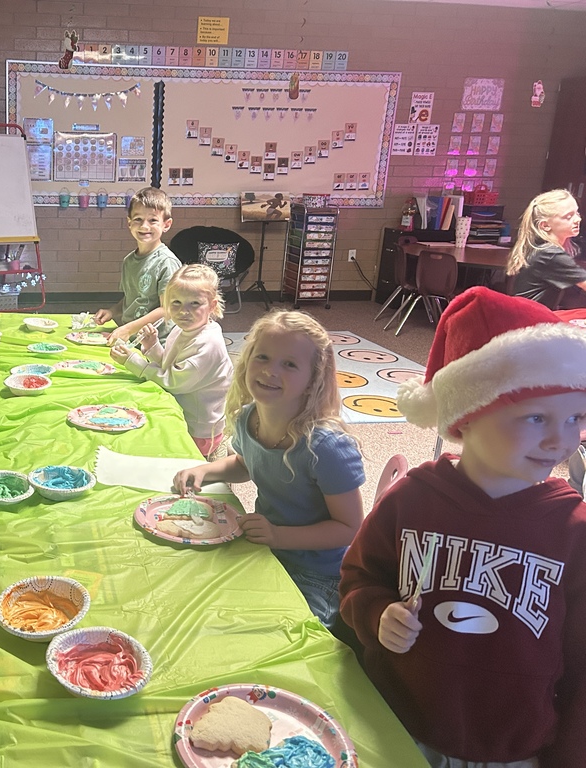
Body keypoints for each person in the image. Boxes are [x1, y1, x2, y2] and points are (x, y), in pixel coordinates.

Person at [340, 287, 586, 768]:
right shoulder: (411, 499)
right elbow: (358, 579)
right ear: (466, 417)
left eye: (576, 417)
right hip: (393, 725)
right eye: (537, 417)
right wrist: (376, 614)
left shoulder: (574, 530)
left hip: (511, 749)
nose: (564, 439)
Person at [172, 310, 364, 627]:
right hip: (266, 548)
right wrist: (206, 472)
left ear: (313, 378)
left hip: (318, 574)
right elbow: (248, 464)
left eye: (289, 364)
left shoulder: (327, 448)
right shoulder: (250, 418)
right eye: (262, 357)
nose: (270, 371)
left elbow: (349, 528)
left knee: (275, 631)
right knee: (198, 598)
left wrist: (277, 534)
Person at [110, 263, 233, 459]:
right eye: (176, 303)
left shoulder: (207, 344)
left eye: (194, 303)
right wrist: (152, 347)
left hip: (198, 430)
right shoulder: (182, 329)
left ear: (212, 306)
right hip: (183, 411)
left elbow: (174, 382)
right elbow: (170, 365)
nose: (184, 311)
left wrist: (134, 362)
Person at [94, 187, 182, 345]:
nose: (144, 226)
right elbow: (134, 299)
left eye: (153, 220)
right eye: (138, 219)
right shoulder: (129, 260)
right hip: (132, 340)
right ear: (129, 223)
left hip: (157, 344)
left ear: (166, 224)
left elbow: (167, 309)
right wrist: (113, 311)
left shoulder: (166, 262)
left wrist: (128, 329)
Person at [506, 189, 585, 310]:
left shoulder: (541, 248)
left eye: (577, 213)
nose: (578, 219)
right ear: (545, 225)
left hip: (528, 319)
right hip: (529, 322)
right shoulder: (550, 254)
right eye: (568, 217)